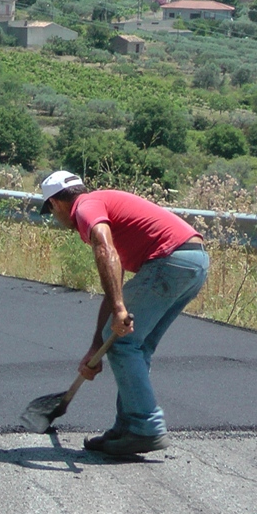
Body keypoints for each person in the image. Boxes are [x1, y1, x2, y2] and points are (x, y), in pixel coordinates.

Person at [40, 170, 210, 456]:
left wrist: (120, 310)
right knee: (135, 344)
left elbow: (104, 248)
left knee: (123, 341)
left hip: (169, 260)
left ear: (56, 204)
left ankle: (145, 428)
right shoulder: (101, 202)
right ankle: (128, 427)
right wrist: (97, 344)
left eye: (51, 211)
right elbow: (113, 285)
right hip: (194, 261)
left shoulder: (86, 207)